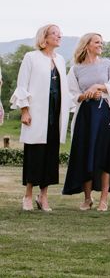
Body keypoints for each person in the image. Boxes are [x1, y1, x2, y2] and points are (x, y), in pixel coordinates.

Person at [11, 24, 70, 212]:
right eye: (55, 33)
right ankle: (28, 195)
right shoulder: (31, 57)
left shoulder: (60, 59)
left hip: (55, 114)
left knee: (51, 157)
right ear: (44, 37)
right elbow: (22, 85)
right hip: (36, 114)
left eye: (60, 33)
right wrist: (25, 111)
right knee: (35, 155)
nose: (59, 35)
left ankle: (43, 196)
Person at [63, 33, 110, 210]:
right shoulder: (76, 68)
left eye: (101, 42)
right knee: (86, 154)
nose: (101, 45)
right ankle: (87, 198)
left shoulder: (107, 64)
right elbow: (71, 94)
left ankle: (104, 199)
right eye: (97, 42)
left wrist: (98, 87)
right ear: (87, 45)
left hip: (105, 113)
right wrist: (86, 94)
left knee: (105, 155)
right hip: (86, 115)